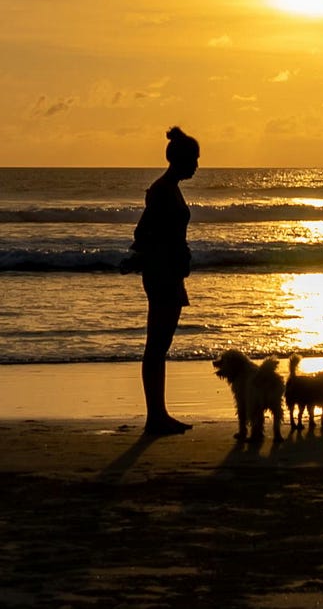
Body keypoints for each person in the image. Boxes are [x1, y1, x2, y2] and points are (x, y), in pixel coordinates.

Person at [130, 126, 199, 435]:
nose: (198, 165)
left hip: (168, 272)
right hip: (162, 274)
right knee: (156, 345)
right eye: (194, 159)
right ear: (181, 160)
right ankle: (154, 416)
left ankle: (159, 413)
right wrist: (143, 257)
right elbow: (144, 233)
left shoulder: (170, 188)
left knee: (161, 344)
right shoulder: (160, 190)